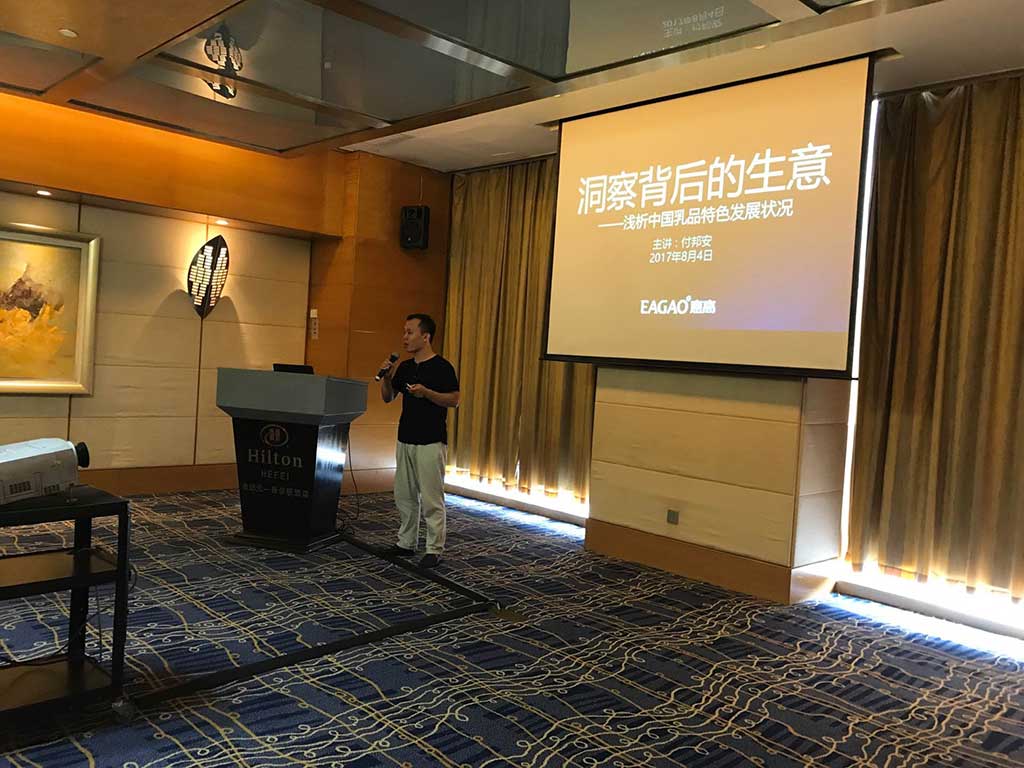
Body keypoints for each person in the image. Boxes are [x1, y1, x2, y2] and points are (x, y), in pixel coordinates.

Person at [379, 314, 460, 568]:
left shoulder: (442, 367)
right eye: (404, 332)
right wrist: (386, 377)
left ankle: (434, 548)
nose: (405, 337)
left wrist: (426, 393)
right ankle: (406, 543)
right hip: (406, 437)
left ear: (426, 337)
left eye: (410, 332)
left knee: (431, 498)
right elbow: (388, 397)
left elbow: (454, 400)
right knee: (404, 495)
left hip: (431, 440)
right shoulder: (404, 367)